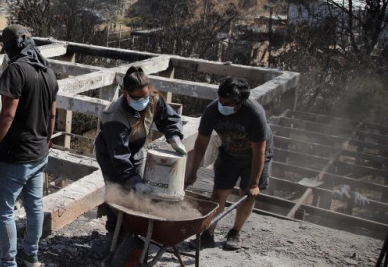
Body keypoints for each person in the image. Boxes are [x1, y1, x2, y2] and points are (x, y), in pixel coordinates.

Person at [0, 25, 59, 267]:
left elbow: (7, 115)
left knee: (3, 210)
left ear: (11, 47)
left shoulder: (15, 71)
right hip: (39, 152)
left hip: (17, 155)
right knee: (35, 205)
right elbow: (53, 113)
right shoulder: (47, 71)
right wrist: (46, 140)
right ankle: (31, 255)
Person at [95, 65, 186, 245]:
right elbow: (119, 157)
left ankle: (132, 229)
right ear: (125, 93)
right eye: (137, 98)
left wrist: (174, 136)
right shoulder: (115, 115)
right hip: (111, 155)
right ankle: (114, 233)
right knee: (118, 192)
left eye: (146, 96)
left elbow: (169, 118)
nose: (144, 101)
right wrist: (133, 180)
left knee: (136, 193)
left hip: (135, 149)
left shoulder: (152, 99)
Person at [184, 77, 273, 251]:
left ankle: (235, 232)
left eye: (228, 103)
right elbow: (201, 143)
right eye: (221, 100)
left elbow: (259, 151)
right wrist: (192, 172)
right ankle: (208, 233)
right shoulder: (212, 111)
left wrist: (254, 183)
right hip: (229, 153)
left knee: (247, 193)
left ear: (240, 103)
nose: (223, 105)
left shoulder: (254, 114)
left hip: (254, 157)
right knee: (218, 194)